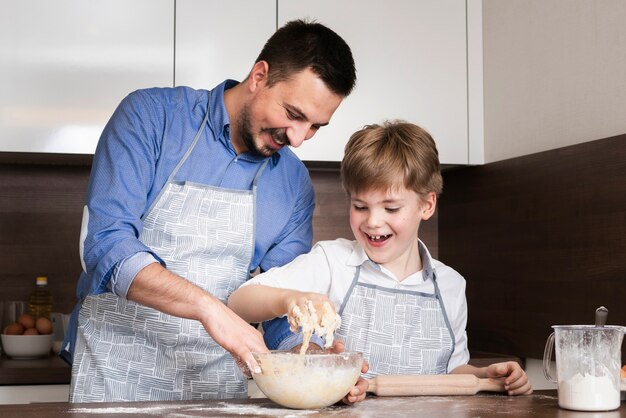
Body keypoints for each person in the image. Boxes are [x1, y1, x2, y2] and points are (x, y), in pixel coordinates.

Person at [62, 19, 358, 403]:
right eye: (293, 114)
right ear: (259, 75)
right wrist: (209, 310)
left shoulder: (293, 184)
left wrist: (313, 360)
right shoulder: (151, 117)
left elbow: (274, 300)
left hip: (216, 391)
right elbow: (104, 245)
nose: (299, 139)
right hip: (113, 377)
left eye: (316, 126)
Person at [228, 121, 533, 396]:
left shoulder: (450, 285)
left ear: (426, 206)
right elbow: (240, 301)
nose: (373, 221)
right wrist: (290, 299)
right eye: (360, 206)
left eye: (391, 208)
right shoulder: (333, 262)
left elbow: (450, 371)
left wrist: (484, 376)